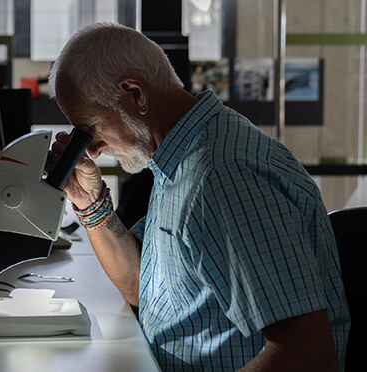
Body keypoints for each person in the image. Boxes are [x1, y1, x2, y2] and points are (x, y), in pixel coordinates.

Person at [45, 22, 350, 371]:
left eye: (91, 129)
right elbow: (142, 290)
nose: (95, 150)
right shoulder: (180, 160)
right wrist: (89, 202)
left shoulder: (226, 177)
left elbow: (307, 355)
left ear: (135, 94)